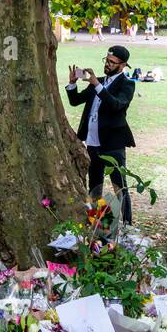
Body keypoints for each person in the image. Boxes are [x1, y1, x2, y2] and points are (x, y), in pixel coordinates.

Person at [65, 45, 137, 224]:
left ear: (123, 65)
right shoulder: (99, 81)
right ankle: (96, 224)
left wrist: (97, 85)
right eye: (106, 60)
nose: (107, 64)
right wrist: (73, 83)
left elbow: (116, 105)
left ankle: (127, 225)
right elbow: (75, 101)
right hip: (93, 143)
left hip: (113, 144)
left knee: (119, 186)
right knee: (94, 185)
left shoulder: (127, 84)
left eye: (112, 62)